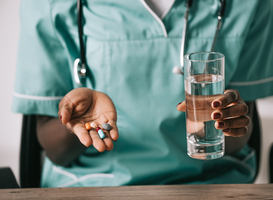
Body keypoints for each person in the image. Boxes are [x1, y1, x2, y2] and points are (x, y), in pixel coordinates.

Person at [12, 0, 273, 187]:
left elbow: (241, 134)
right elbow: (54, 149)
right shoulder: (46, 4)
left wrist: (227, 124)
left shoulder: (248, 4)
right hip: (95, 186)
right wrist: (75, 125)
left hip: (209, 185)